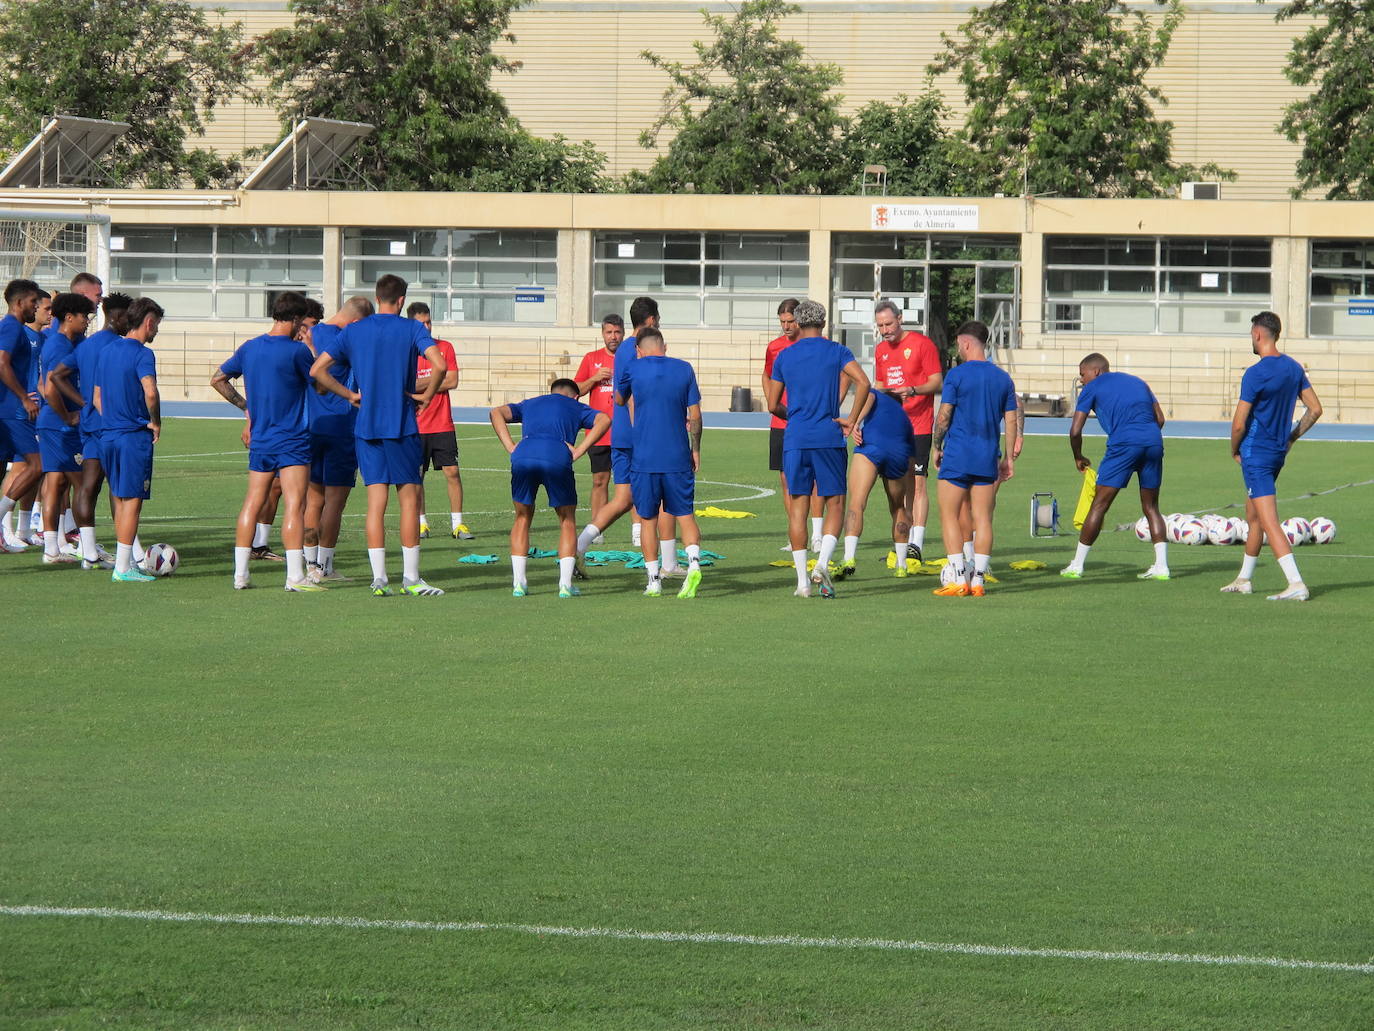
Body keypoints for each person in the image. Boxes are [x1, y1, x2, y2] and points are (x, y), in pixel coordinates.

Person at [311, 273, 447, 597]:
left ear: (376, 298)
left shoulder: (355, 330)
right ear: (401, 300)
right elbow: (439, 364)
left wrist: (348, 395)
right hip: (401, 425)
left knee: (376, 503)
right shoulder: (412, 328)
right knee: (409, 500)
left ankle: (379, 579)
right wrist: (427, 397)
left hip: (365, 426)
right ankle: (411, 578)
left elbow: (317, 370)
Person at [212, 291, 322, 592]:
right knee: (295, 505)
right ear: (298, 319)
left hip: (262, 439)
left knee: (252, 502)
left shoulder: (250, 348)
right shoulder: (296, 352)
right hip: (292, 439)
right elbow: (320, 387)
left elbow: (218, 378)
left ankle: (240, 575)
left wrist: (246, 407)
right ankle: (295, 576)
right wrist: (311, 350)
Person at [764, 298, 871, 599]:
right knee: (834, 502)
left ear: (796, 323)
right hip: (828, 436)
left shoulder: (785, 356)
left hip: (796, 438)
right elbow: (864, 382)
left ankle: (802, 583)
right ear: (823, 323)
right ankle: (822, 562)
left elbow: (772, 404)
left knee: (797, 509)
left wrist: (794, 416)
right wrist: (850, 420)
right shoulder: (837, 351)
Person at [1221, 311, 1323, 601]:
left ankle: (1296, 583)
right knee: (1252, 516)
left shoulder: (1255, 373)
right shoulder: (1292, 367)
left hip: (1256, 453)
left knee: (1268, 520)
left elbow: (1239, 422)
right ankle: (1244, 578)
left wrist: (1233, 449)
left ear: (1257, 334)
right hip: (1278, 452)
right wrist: (1291, 437)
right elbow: (1315, 409)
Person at [576, 296, 676, 565]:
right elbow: (633, 393)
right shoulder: (641, 348)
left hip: (621, 434)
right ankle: (667, 564)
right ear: (652, 319)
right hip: (641, 436)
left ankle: (578, 545)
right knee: (666, 495)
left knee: (622, 499)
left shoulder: (623, 349)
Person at [490, 378, 609, 597]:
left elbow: (496, 412)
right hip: (556, 455)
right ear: (575, 395)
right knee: (566, 520)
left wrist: (510, 446)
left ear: (551, 392)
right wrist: (580, 450)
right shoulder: (577, 406)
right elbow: (604, 419)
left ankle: (519, 583)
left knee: (522, 517)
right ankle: (565, 584)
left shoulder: (531, 403)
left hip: (523, 454)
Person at [1061, 354, 1169, 580]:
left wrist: (1078, 455)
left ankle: (1077, 565)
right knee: (1151, 507)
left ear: (1096, 371)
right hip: (1153, 441)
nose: (1081, 380)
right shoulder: (1138, 381)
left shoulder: (1091, 388)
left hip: (1123, 445)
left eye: (1083, 374)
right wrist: (1144, 436)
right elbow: (1160, 419)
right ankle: (1162, 566)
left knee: (1099, 505)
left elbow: (1074, 431)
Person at [931, 320, 1017, 598]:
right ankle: (978, 578)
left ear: (966, 343)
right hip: (987, 456)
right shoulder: (1003, 378)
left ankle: (958, 576)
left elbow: (944, 415)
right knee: (983, 519)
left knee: (949, 514)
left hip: (958, 454)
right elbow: (1012, 419)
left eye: (958, 344)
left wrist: (936, 445)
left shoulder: (957, 375)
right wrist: (1009, 458)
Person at [620, 327, 704, 599]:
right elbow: (696, 415)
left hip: (644, 457)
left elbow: (620, 399)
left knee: (647, 519)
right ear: (664, 346)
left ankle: (654, 580)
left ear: (639, 350)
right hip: (678, 454)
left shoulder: (633, 368)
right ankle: (693, 563)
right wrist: (695, 449)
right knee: (685, 514)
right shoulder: (684, 368)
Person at [92, 296, 162, 583]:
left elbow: (97, 397)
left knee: (120, 497)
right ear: (147, 322)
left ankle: (125, 562)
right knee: (132, 500)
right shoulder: (142, 354)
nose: (156, 330)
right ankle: (124, 567)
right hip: (132, 437)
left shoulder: (107, 351)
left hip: (108, 435)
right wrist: (155, 421)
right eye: (156, 325)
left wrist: (113, 420)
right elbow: (151, 391)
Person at [302, 296, 373, 581]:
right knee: (335, 501)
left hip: (311, 425)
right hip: (342, 426)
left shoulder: (311, 332)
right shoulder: (348, 339)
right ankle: (326, 568)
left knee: (313, 499)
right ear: (356, 322)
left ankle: (309, 566)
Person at [872, 299, 943, 563]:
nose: (885, 329)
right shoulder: (880, 350)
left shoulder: (922, 344)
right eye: (880, 325)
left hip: (919, 426)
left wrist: (912, 390)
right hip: (891, 428)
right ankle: (902, 542)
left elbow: (937, 381)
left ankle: (917, 544)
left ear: (900, 319)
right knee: (896, 487)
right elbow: (880, 384)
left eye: (888, 323)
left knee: (918, 484)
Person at [71, 293, 133, 570]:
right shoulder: (119, 347)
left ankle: (88, 554)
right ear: (118, 317)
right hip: (112, 425)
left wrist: (80, 404)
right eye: (128, 318)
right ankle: (129, 554)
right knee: (120, 488)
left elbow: (57, 375)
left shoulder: (86, 345)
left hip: (89, 424)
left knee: (89, 486)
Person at [36, 291, 96, 563]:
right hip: (60, 427)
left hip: (50, 425)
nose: (87, 321)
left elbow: (41, 382)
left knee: (56, 483)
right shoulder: (60, 345)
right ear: (69, 317)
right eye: (84, 316)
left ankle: (51, 549)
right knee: (84, 484)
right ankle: (88, 547)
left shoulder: (61, 342)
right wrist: (68, 417)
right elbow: (49, 387)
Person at [407, 301, 471, 540]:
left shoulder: (444, 347)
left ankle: (458, 524)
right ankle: (421, 523)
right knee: (417, 475)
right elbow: (406, 384)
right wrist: (437, 377)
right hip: (416, 424)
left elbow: (452, 381)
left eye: (429, 321)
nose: (426, 326)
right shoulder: (407, 352)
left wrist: (424, 383)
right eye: (421, 323)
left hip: (442, 424)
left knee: (452, 472)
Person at [762, 298, 823, 550]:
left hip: (809, 420)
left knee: (816, 478)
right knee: (787, 479)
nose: (786, 326)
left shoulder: (814, 346)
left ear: (800, 320)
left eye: (790, 321)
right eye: (782, 322)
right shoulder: (775, 347)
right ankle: (795, 533)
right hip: (781, 421)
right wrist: (771, 400)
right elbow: (766, 374)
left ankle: (817, 533)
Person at [840, 388, 915, 579]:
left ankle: (849, 557)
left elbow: (869, 396)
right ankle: (901, 565)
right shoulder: (906, 421)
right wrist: (910, 507)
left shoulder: (877, 395)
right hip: (899, 454)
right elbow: (911, 465)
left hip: (872, 447)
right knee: (898, 507)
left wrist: (855, 422)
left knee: (857, 502)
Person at [0, 279, 43, 552]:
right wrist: (24, 397)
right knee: (38, 465)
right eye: (32, 302)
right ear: (18, 303)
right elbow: (1, 362)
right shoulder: (11, 327)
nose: (35, 306)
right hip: (12, 412)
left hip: (8, 411)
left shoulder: (14, 328)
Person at [574, 314, 624, 521]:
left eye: (617, 332)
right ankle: (597, 528)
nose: (613, 336)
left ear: (623, 333)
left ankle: (637, 529)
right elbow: (576, 390)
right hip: (600, 433)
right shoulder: (591, 358)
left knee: (631, 482)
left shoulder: (633, 357)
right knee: (599, 481)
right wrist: (595, 378)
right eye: (609, 332)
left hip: (627, 431)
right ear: (602, 334)